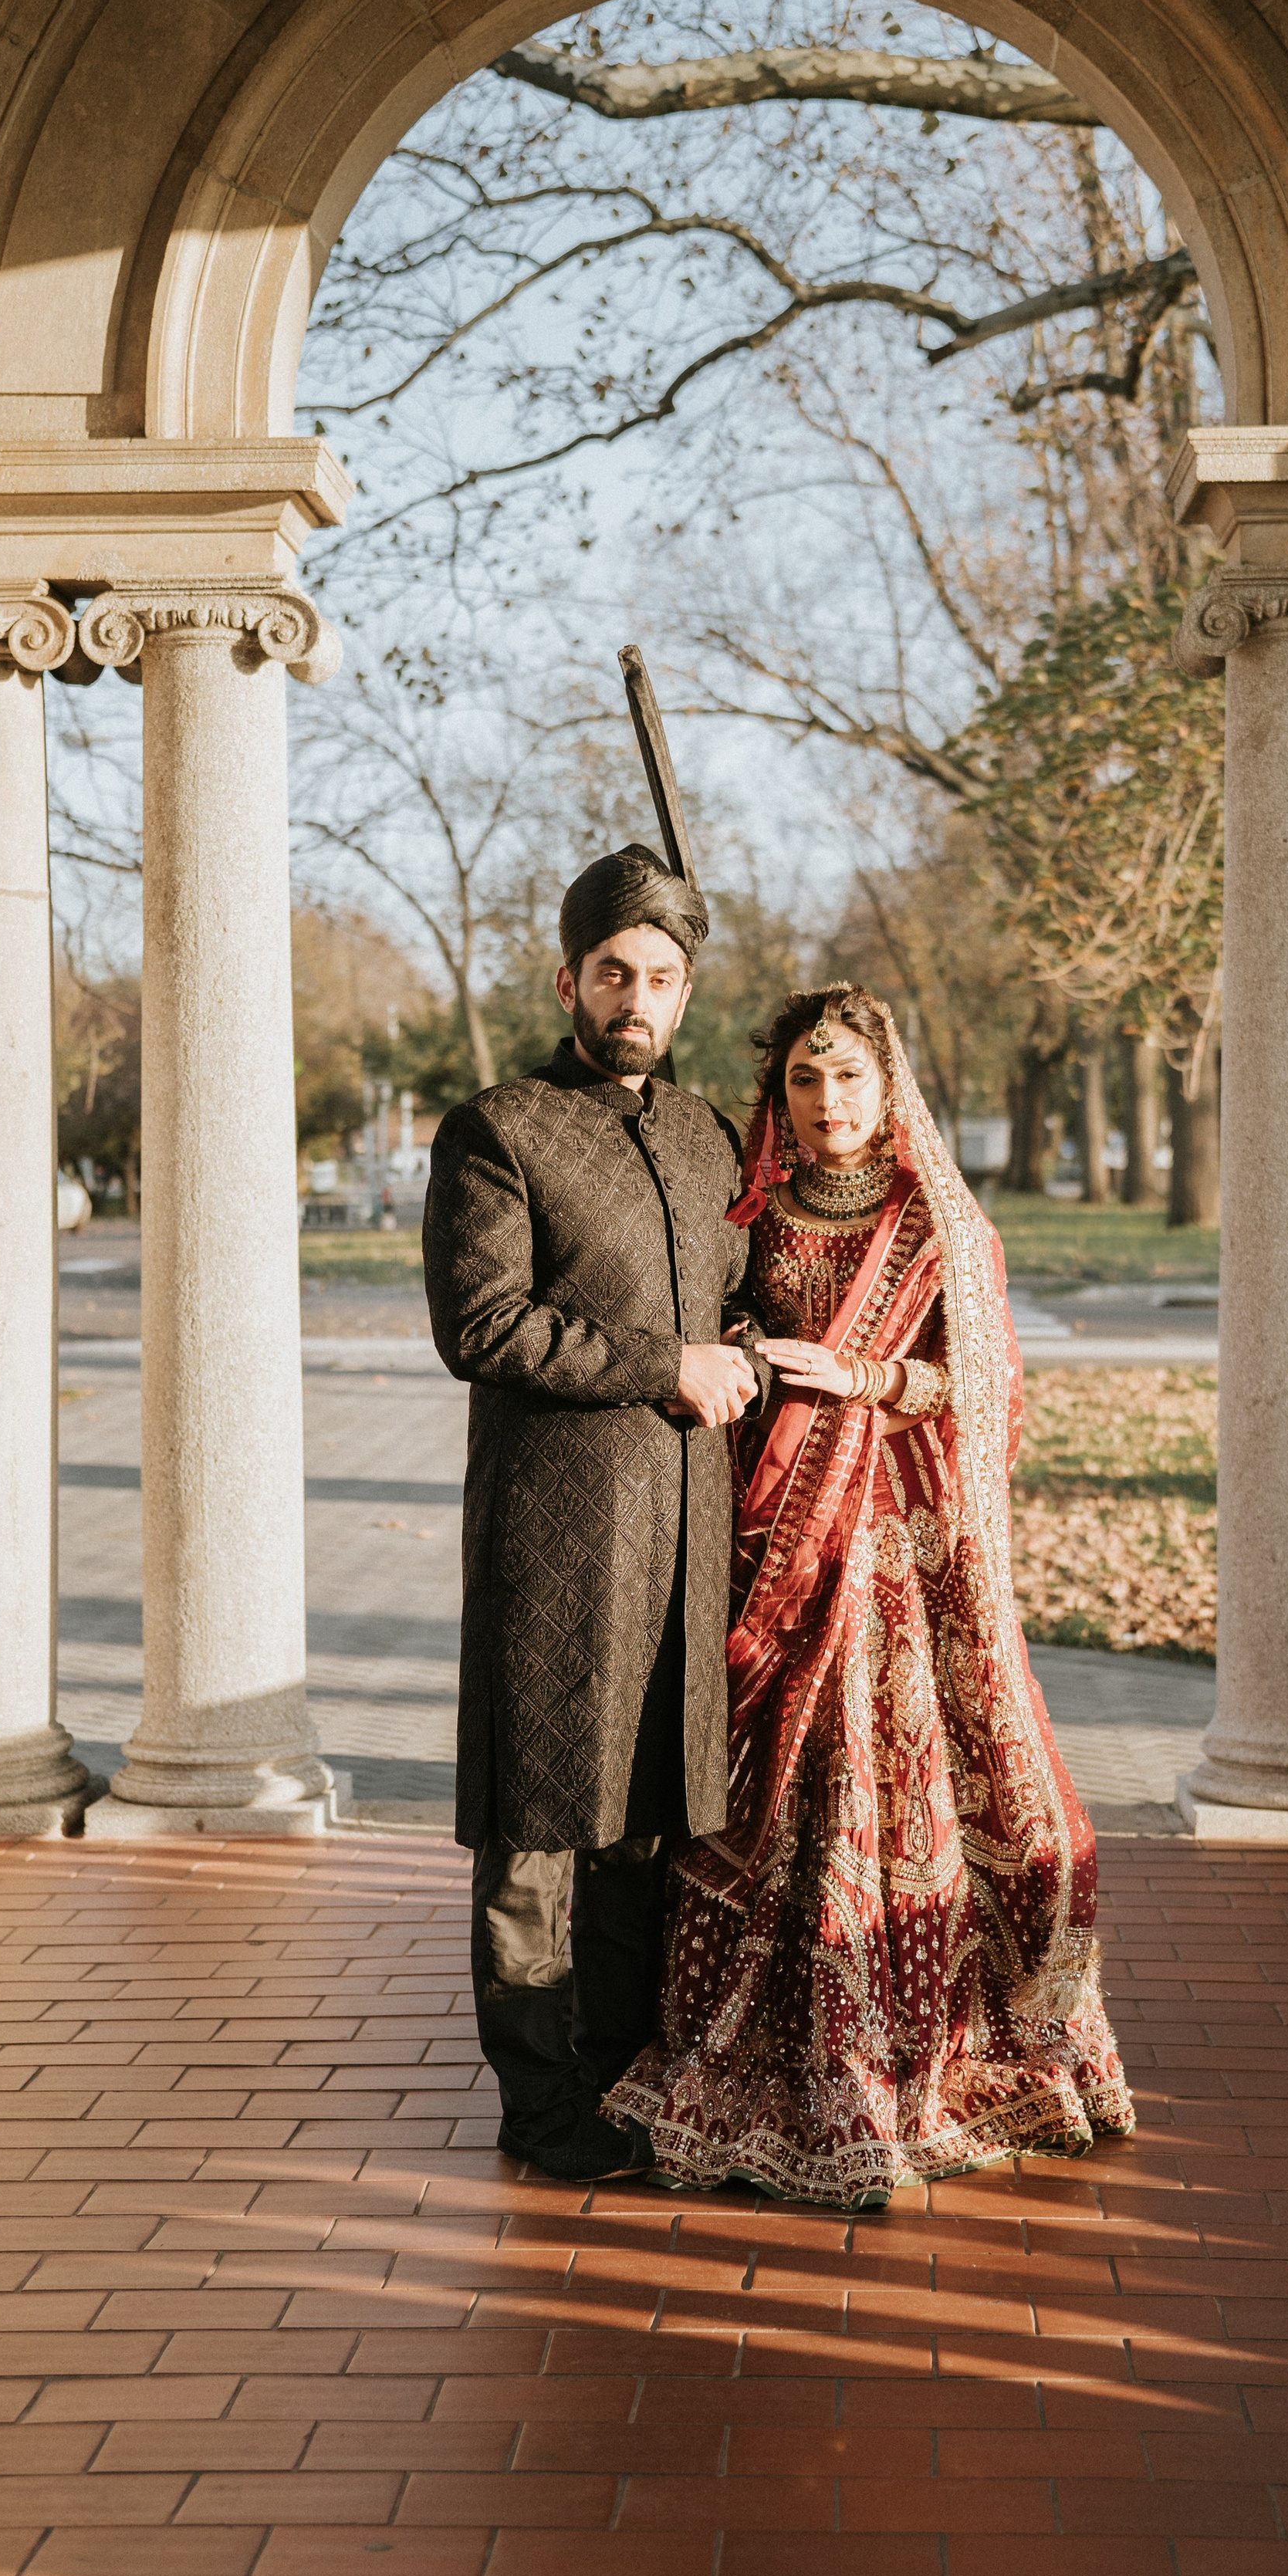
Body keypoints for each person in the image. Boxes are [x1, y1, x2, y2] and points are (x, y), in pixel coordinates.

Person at [607, 983, 1134, 2206]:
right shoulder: (746, 1213)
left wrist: (862, 1374)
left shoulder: (936, 1222)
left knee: (878, 1769)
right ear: (777, 1095)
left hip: (895, 1538)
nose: (828, 1099)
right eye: (805, 1078)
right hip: (764, 1526)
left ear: (889, 1089)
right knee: (769, 1784)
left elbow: (985, 1384)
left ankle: (921, 2056)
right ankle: (769, 2051)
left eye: (848, 1077)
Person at [423, 845, 761, 2182]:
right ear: (569, 978)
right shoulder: (498, 1128)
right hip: (554, 1533)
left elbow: (732, 1305)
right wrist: (665, 1365)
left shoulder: (707, 1135)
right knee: (539, 1829)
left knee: (646, 1825)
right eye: (614, 971)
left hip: (686, 1535)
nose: (637, 996)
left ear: (685, 994)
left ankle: (627, 2078)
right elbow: (483, 1322)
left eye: (662, 977)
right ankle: (543, 2106)